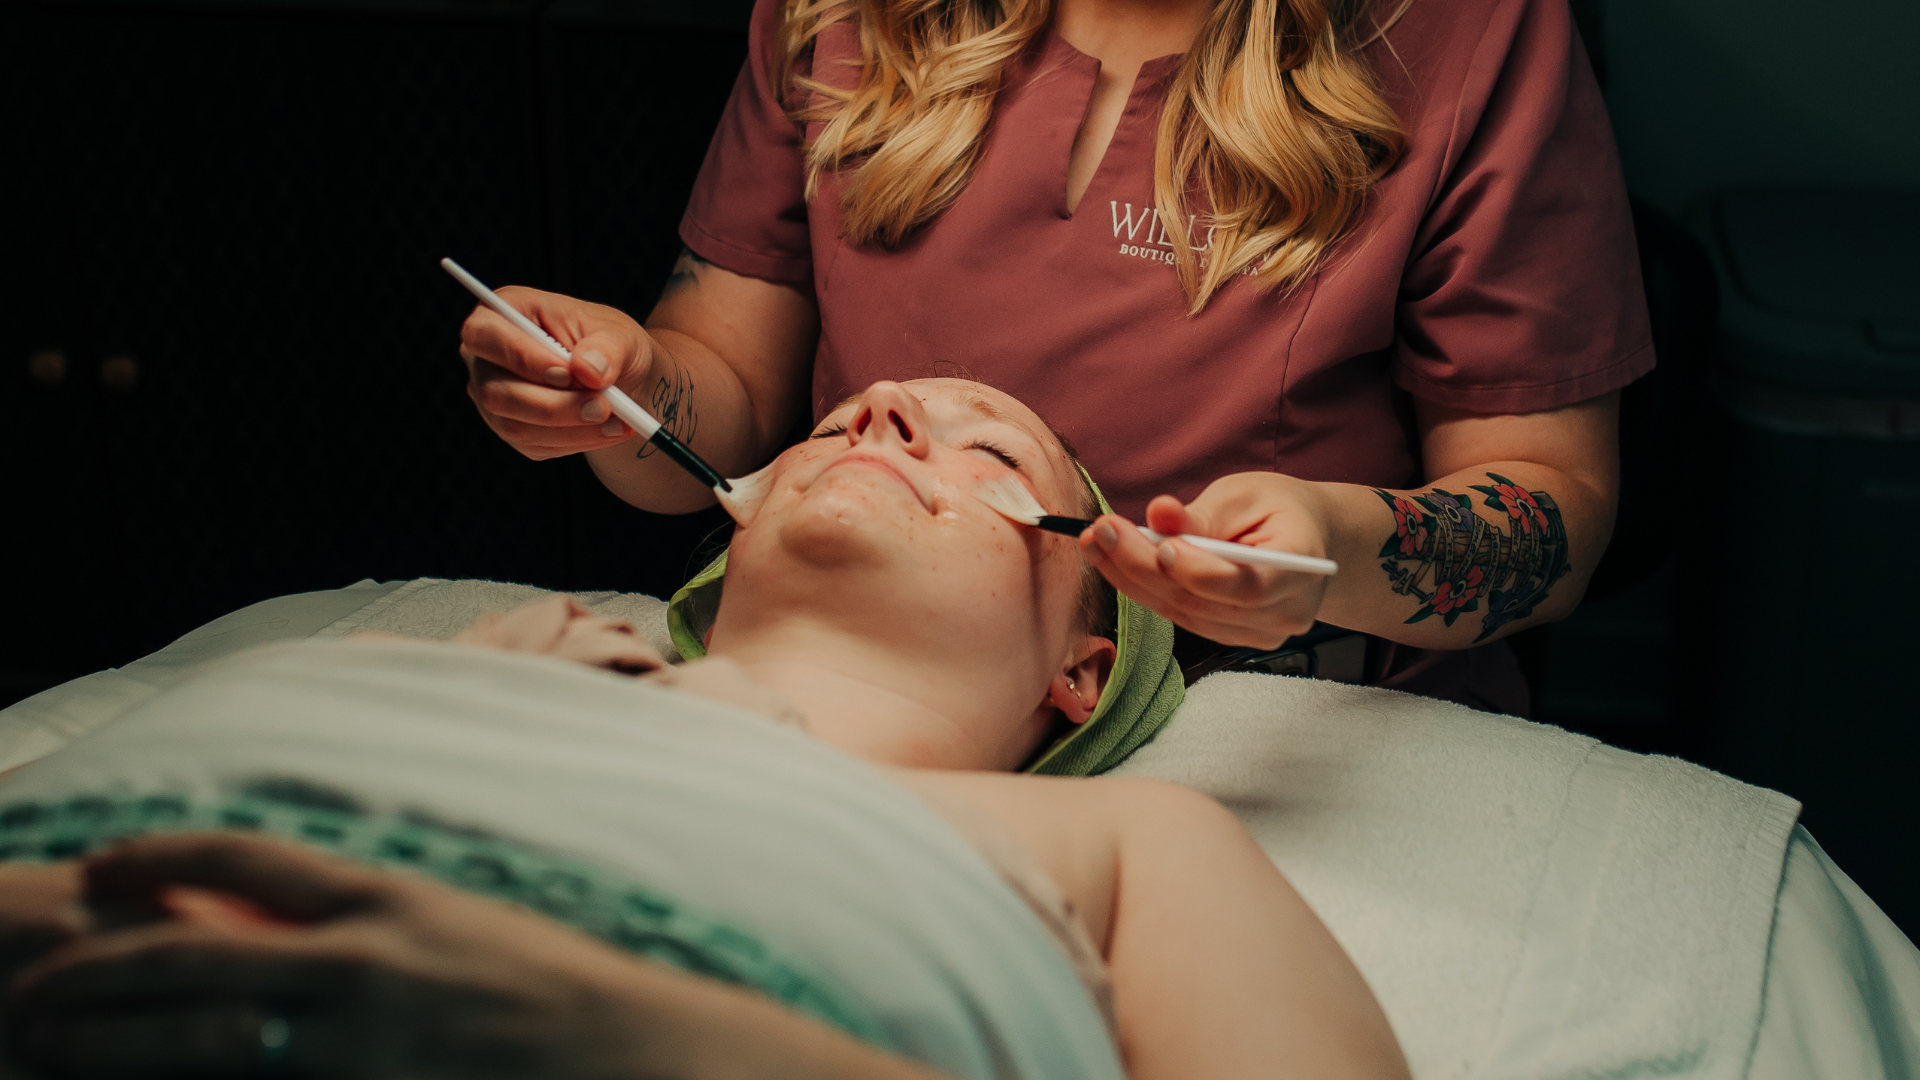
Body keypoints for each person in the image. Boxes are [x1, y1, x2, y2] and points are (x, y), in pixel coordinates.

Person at [0, 379, 1407, 1080]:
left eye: (990, 452)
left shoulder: (1133, 842)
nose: (882, 410)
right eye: (845, 421)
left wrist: (623, 1030)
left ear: (1083, 672)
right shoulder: (401, 674)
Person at [456, 0, 1650, 716]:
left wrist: (1334, 548)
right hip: (869, 674)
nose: (883, 418)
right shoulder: (847, 17)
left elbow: (1555, 512)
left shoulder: (1466, 34)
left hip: (1291, 718)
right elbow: (718, 400)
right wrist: (622, 392)